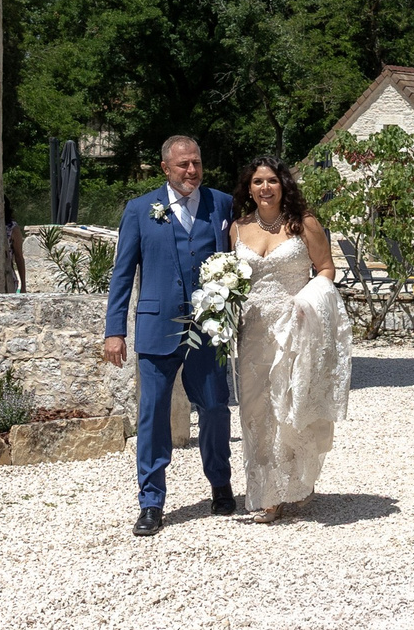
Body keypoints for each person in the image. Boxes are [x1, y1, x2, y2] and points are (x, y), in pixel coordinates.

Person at [101, 134, 236, 535]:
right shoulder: (140, 210)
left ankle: (221, 483)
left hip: (207, 328)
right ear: (166, 168)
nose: (191, 170)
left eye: (196, 162)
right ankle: (151, 502)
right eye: (183, 165)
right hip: (157, 326)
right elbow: (122, 274)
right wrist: (115, 331)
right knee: (153, 415)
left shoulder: (222, 204)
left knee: (215, 407)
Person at [229, 154, 350, 523]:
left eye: (272, 181)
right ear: (249, 188)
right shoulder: (237, 227)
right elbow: (231, 278)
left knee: (288, 408)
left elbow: (326, 268)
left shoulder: (304, 223)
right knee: (255, 410)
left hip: (295, 328)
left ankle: (293, 485)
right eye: (257, 182)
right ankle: (266, 492)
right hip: (252, 332)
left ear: (283, 185)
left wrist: (308, 300)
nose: (265, 188)